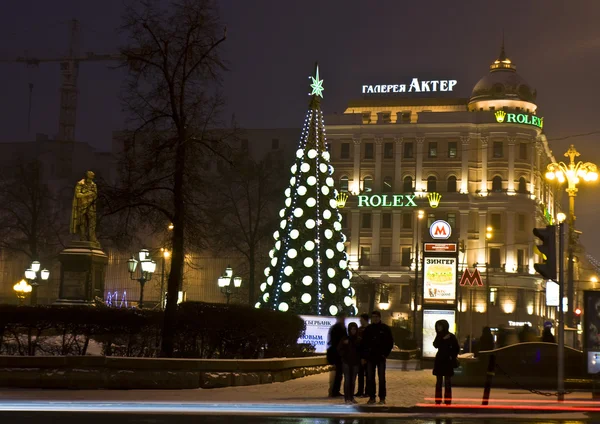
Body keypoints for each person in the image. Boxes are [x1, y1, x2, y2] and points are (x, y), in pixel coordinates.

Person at [362, 310, 394, 405]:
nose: (375, 319)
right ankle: (372, 397)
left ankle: (382, 397)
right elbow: (364, 343)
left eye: (376, 317)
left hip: (380, 356)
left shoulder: (385, 329)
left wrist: (385, 354)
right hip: (371, 357)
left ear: (379, 317)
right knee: (370, 378)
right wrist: (365, 355)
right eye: (373, 317)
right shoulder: (368, 329)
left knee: (381, 378)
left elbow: (390, 342)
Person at [433, 319, 460, 405]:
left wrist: (452, 356)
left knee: (447, 381)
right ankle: (438, 400)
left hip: (447, 361)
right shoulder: (439, 336)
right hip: (440, 361)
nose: (438, 328)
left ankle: (447, 400)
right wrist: (442, 339)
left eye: (440, 326)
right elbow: (435, 345)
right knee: (439, 381)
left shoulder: (451, 336)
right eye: (437, 326)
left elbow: (456, 348)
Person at [70, 170, 98, 243]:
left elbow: (95, 195)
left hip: (91, 206)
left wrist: (89, 196)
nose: (92, 177)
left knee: (92, 221)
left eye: (92, 176)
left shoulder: (94, 185)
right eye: (91, 176)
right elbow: (77, 195)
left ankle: (92, 236)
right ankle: (83, 237)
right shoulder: (80, 184)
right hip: (82, 205)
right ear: (87, 176)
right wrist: (88, 194)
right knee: (82, 222)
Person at [338, 322, 361, 404]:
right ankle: (347, 398)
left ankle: (351, 397)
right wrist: (344, 356)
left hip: (355, 362)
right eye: (351, 329)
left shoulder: (358, 339)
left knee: (353, 380)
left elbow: (361, 351)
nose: (353, 331)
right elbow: (340, 349)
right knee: (347, 380)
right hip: (346, 362)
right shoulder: (345, 339)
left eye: (354, 329)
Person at [327, 312, 347, 397]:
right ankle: (334, 391)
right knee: (337, 373)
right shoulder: (338, 328)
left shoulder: (338, 328)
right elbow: (335, 342)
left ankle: (334, 390)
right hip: (337, 354)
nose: (343, 319)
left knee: (338, 373)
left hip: (338, 353)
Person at [355, 313, 369, 397]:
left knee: (368, 374)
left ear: (364, 319)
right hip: (359, 355)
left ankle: (367, 391)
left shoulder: (369, 329)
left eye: (361, 319)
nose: (360, 321)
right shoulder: (359, 329)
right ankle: (360, 391)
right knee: (360, 374)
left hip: (367, 355)